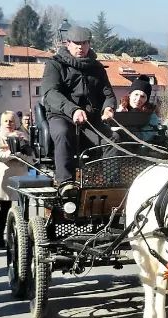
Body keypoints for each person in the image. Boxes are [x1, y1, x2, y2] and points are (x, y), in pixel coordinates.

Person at [40, 25, 117, 195]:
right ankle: (65, 182)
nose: (80, 47)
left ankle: (111, 185)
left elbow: (108, 94)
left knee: (112, 138)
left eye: (84, 43)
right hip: (62, 116)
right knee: (63, 133)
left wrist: (108, 108)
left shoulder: (96, 68)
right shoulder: (55, 65)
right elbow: (50, 93)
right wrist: (73, 110)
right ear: (68, 43)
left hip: (90, 120)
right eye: (76, 43)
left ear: (89, 44)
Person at [0, 111, 32, 249]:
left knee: (23, 209)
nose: (9, 124)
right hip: (5, 178)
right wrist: (15, 153)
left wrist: (19, 149)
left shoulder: (23, 137)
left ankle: (23, 238)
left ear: (16, 122)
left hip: (21, 177)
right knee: (4, 210)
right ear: (1, 122)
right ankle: (0, 236)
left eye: (12, 121)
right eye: (6, 121)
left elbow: (31, 157)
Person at [117, 76, 161, 145]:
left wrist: (127, 122)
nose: (138, 99)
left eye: (142, 96)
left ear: (147, 99)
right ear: (130, 95)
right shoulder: (121, 109)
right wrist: (119, 116)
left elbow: (145, 137)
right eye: (136, 94)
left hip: (140, 150)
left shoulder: (151, 115)